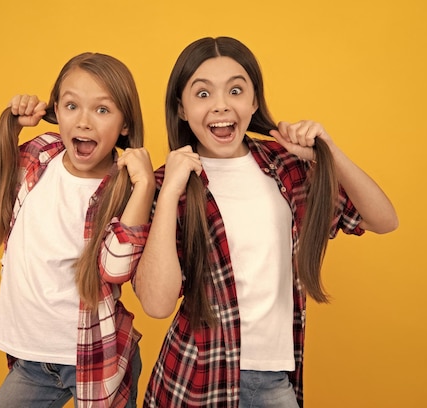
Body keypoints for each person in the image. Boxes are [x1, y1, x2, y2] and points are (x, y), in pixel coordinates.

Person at [100, 37, 398, 407]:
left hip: (273, 380)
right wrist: (171, 190)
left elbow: (383, 220)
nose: (222, 105)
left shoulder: (287, 167)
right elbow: (157, 304)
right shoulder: (165, 185)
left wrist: (329, 152)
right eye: (203, 94)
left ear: (254, 101)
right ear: (181, 108)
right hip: (194, 380)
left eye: (236, 90)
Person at [0, 52, 155, 408]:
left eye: (102, 110)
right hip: (32, 360)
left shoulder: (124, 186)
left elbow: (116, 268)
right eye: (72, 106)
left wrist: (146, 185)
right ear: (55, 110)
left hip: (97, 356)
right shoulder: (42, 154)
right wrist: (12, 124)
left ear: (124, 124)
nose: (84, 122)